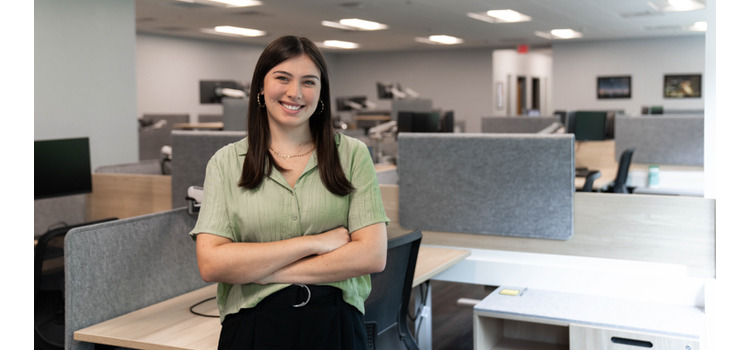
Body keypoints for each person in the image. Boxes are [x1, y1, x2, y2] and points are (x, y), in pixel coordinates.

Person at [189, 35, 389, 350]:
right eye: (282, 78)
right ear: (261, 87)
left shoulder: (352, 155)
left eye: (308, 82)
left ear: (322, 93)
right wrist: (315, 243)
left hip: (334, 323)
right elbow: (212, 264)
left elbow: (372, 255)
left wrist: (266, 273)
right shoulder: (226, 163)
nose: (295, 92)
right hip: (253, 327)